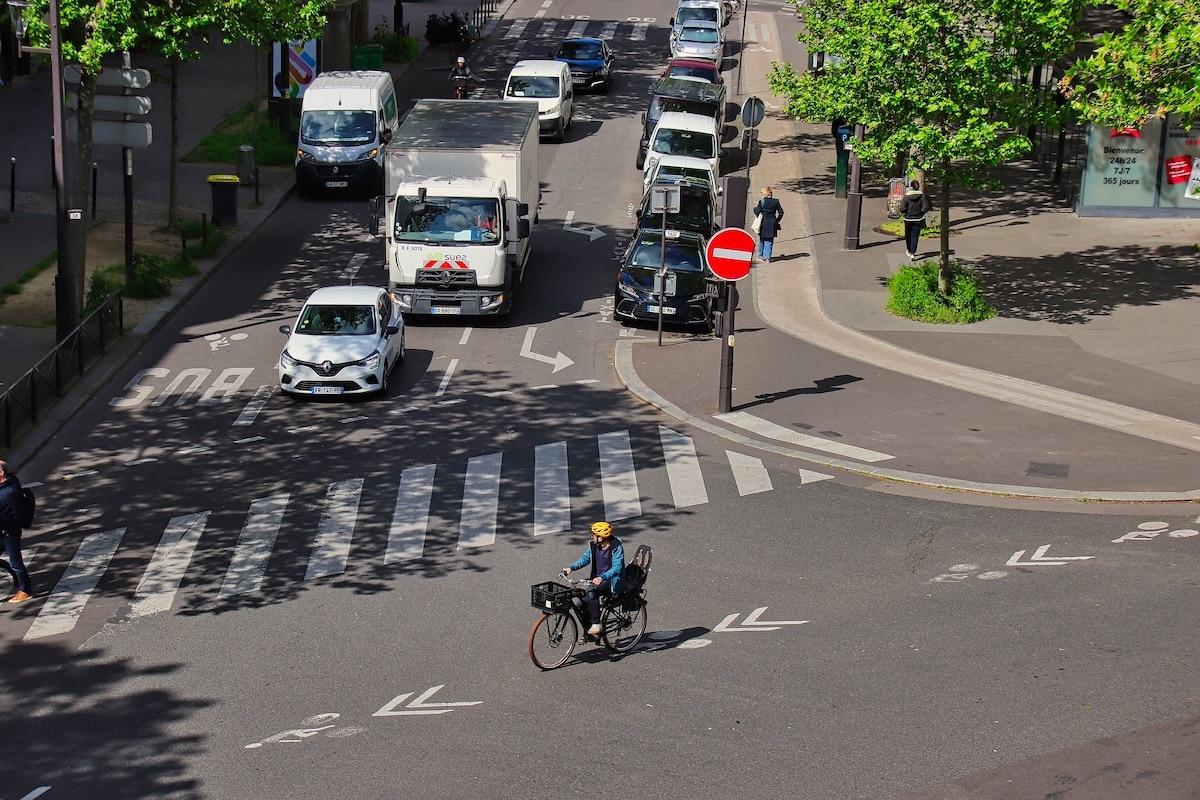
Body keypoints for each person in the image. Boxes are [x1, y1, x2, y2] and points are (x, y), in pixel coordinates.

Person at [562, 521, 625, 636]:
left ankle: (596, 624)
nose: (592, 536)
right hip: (598, 579)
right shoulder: (595, 546)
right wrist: (571, 568)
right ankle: (588, 630)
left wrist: (602, 577)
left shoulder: (616, 547)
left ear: (600, 538)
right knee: (579, 598)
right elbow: (585, 559)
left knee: (591, 592)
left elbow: (617, 568)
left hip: (612, 581)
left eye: (593, 535)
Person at [0, 459, 33, 603]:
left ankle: (25, 590)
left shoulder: (10, 492)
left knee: (16, 561)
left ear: (1, 473)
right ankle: (17, 579)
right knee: (14, 563)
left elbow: (19, 516)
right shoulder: (7, 484)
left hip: (9, 532)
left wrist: (6, 525)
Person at [899, 179, 933, 260]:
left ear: (911, 187)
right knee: (915, 236)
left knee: (908, 235)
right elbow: (926, 207)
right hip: (918, 219)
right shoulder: (922, 196)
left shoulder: (906, 197)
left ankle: (909, 250)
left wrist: (906, 212)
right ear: (918, 187)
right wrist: (920, 212)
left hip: (908, 219)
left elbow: (902, 208)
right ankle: (913, 253)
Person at [752, 186, 784, 263]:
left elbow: (757, 212)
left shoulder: (762, 201)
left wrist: (754, 209)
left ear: (765, 193)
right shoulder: (776, 201)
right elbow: (781, 213)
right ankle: (767, 258)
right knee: (769, 240)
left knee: (762, 239)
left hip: (763, 222)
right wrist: (777, 220)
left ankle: (761, 255)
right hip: (772, 222)